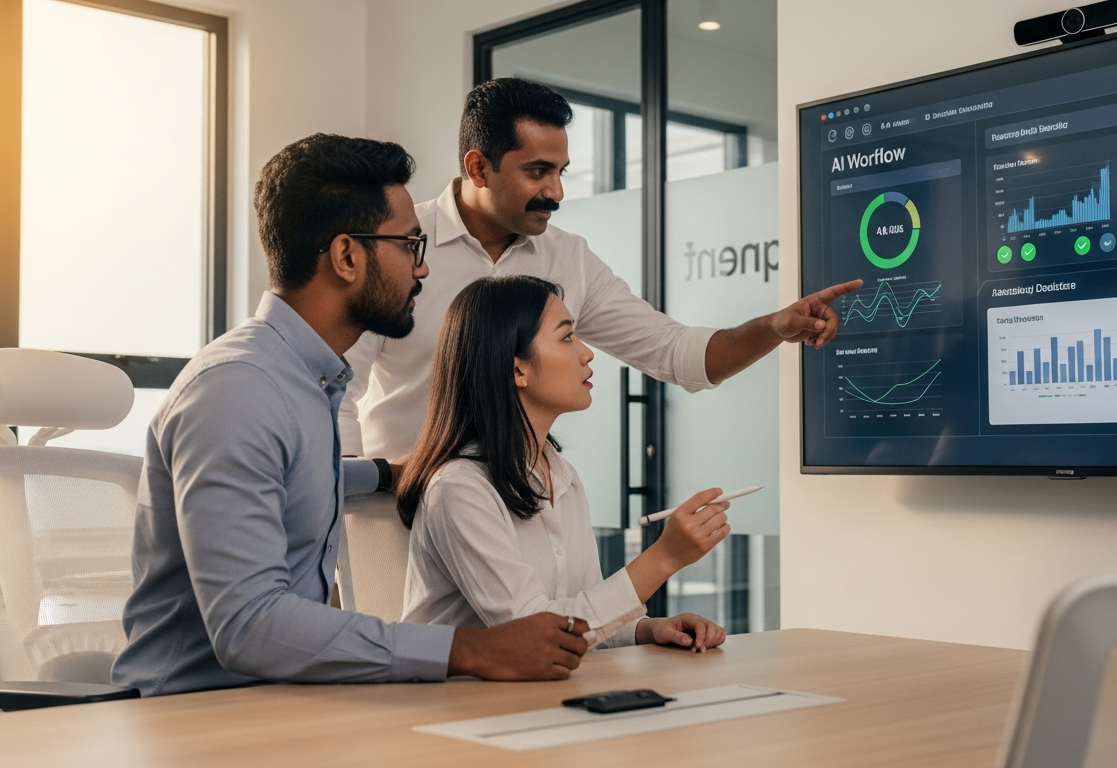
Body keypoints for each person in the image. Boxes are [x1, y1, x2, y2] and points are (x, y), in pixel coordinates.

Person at [113, 135, 590, 697]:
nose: (424, 270)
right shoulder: (238, 391)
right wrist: (469, 649)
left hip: (281, 703)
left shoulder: (303, 381)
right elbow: (250, 626)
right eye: (411, 244)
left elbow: (295, 476)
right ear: (346, 256)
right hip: (195, 716)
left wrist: (389, 471)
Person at [339, 77, 860, 459]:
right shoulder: (396, 244)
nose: (556, 193)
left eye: (561, 172)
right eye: (537, 172)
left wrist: (774, 327)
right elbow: (338, 391)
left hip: (522, 521)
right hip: (400, 522)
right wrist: (357, 515)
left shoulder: (569, 257)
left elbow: (676, 353)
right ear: (478, 167)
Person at [398, 274, 729, 651]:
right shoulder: (458, 488)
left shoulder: (560, 475)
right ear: (517, 370)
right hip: (456, 702)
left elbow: (582, 615)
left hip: (539, 693)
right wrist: (664, 558)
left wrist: (645, 629)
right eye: (567, 336)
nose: (586, 353)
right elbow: (534, 633)